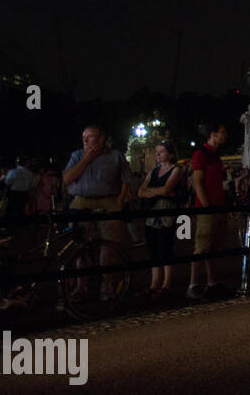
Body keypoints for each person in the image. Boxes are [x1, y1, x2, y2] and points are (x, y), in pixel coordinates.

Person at [62, 125, 131, 302]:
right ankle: (81, 287)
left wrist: (120, 200)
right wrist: (86, 160)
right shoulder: (77, 155)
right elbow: (67, 179)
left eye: (89, 137)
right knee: (80, 247)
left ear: (101, 139)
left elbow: (126, 181)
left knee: (108, 247)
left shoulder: (116, 156)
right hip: (81, 201)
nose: (85, 140)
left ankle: (108, 287)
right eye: (83, 137)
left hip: (108, 201)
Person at [187, 121, 230, 301]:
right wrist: (206, 205)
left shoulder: (215, 155)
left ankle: (212, 281)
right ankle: (193, 284)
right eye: (222, 131)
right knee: (201, 246)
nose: (225, 135)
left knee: (211, 246)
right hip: (208, 207)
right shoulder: (201, 154)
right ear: (213, 134)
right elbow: (198, 181)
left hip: (217, 205)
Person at [137, 141, 184, 299]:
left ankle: (166, 284)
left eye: (161, 152)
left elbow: (167, 189)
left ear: (170, 154)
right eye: (157, 152)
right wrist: (159, 192)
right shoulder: (154, 171)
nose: (157, 155)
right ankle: (154, 283)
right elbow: (140, 192)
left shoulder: (176, 169)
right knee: (153, 247)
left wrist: (153, 191)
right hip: (152, 212)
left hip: (166, 212)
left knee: (165, 245)